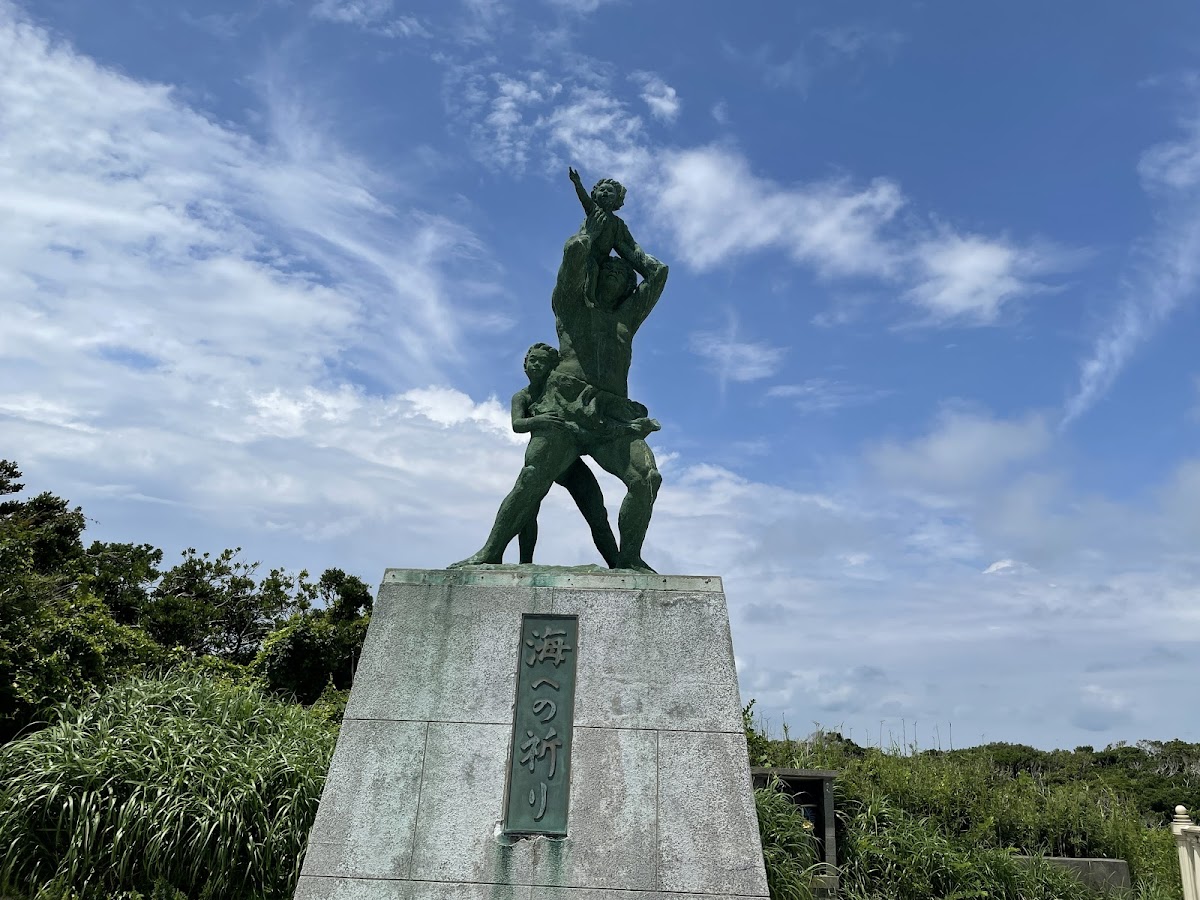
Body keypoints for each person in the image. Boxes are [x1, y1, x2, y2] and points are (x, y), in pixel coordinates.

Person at [451, 172, 669, 572]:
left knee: (646, 478)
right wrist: (590, 236)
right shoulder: (572, 308)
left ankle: (629, 559)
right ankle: (490, 551)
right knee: (532, 478)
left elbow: (657, 272)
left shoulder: (627, 319)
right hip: (565, 405)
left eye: (623, 277)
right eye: (609, 272)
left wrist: (623, 243)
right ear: (597, 276)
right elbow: (573, 259)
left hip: (612, 414)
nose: (615, 278)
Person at [509, 342, 619, 567]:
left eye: (543, 362)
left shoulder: (561, 390)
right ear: (525, 365)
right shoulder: (522, 396)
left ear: (552, 367)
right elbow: (517, 424)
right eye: (533, 360)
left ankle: (617, 563)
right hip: (543, 460)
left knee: (596, 510)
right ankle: (525, 563)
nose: (537, 365)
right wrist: (539, 420)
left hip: (569, 462)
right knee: (528, 510)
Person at [566, 167, 658, 307]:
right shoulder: (594, 211)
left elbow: (630, 241)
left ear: (617, 199)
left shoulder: (618, 223)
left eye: (610, 191)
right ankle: (589, 298)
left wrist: (638, 249)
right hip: (588, 255)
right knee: (593, 270)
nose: (605, 193)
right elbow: (583, 198)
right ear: (595, 194)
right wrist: (577, 183)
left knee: (604, 274)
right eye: (602, 190)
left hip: (603, 259)